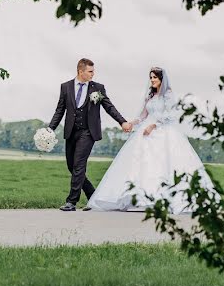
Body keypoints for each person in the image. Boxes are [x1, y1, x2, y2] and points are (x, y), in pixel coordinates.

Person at [87, 66, 215, 213]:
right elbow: (143, 115)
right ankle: (140, 200)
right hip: (146, 130)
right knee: (139, 164)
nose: (152, 80)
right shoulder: (150, 96)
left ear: (161, 79)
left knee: (162, 164)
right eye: (151, 77)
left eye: (155, 77)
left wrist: (153, 125)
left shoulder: (168, 94)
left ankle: (162, 199)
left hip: (163, 131)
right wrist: (130, 123)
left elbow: (170, 115)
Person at [48, 58, 132, 212]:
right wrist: (50, 129)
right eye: (90, 71)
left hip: (88, 132)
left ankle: (71, 202)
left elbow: (109, 107)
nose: (93, 74)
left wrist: (122, 122)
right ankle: (93, 196)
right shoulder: (66, 87)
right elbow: (60, 110)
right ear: (81, 71)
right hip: (71, 132)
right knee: (71, 167)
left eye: (93, 71)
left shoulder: (97, 88)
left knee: (79, 165)